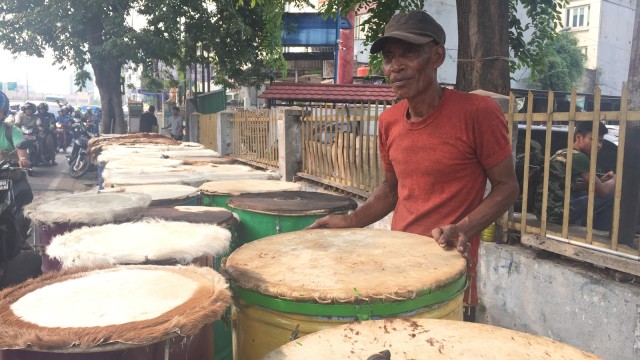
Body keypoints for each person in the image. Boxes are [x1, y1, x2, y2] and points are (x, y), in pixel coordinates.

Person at [307, 11, 519, 316]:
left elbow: (507, 186)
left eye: (409, 53)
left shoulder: (477, 112)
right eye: (390, 56)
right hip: (398, 264)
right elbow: (390, 190)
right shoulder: (389, 121)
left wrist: (463, 229)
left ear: (436, 56)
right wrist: (349, 221)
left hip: (448, 269)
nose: (396, 66)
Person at [533, 121, 615, 231]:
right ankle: (601, 234)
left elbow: (571, 186)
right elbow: (603, 191)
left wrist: (600, 181)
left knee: (581, 193)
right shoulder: (580, 158)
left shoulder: (562, 152)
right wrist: (616, 179)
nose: (599, 145)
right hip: (557, 214)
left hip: (542, 211)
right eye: (594, 140)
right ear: (579, 137)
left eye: (600, 141)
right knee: (610, 196)